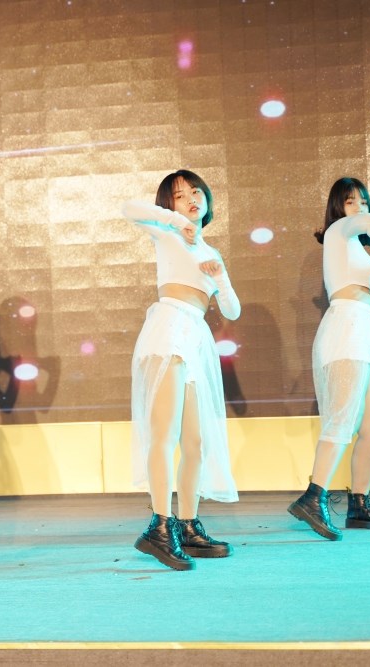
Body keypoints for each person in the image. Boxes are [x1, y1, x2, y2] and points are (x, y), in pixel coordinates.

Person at [122, 170, 241, 571]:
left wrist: (220, 278)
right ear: (168, 205)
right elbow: (128, 208)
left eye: (195, 191)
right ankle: (160, 525)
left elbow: (232, 310)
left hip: (195, 336)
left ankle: (188, 525)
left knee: (195, 442)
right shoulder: (167, 232)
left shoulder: (211, 251)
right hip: (170, 328)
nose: (191, 198)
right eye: (179, 195)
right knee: (165, 434)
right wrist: (174, 221)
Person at [288, 177, 370, 540]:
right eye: (351, 201)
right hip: (345, 330)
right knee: (341, 420)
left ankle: (359, 503)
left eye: (364, 201)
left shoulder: (354, 247)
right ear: (338, 208)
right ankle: (313, 497)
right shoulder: (338, 231)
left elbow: (366, 303)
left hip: (362, 327)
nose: (360, 207)